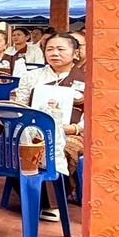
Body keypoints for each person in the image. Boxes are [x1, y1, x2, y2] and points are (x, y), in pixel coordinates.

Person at [13, 32, 89, 204]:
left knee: (66, 148)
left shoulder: (88, 79)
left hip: (72, 132)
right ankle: (33, 196)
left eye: (61, 49)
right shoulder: (32, 76)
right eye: (50, 49)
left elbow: (93, 114)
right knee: (21, 145)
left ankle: (54, 200)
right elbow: (20, 106)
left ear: (75, 53)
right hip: (34, 130)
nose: (54, 53)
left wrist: (75, 128)